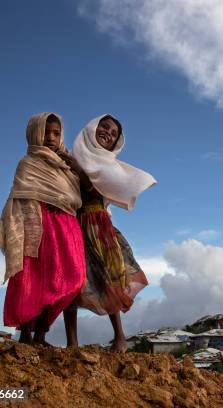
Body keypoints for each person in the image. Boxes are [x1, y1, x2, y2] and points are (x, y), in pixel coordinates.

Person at [62, 114, 155, 352]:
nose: (108, 133)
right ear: (93, 128)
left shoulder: (107, 165)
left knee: (110, 278)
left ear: (116, 143)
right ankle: (72, 343)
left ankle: (120, 338)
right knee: (72, 282)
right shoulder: (72, 157)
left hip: (99, 226)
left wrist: (80, 173)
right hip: (72, 224)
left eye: (113, 133)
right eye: (104, 127)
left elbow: (95, 189)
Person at [0, 112, 85, 345]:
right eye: (45, 132)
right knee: (32, 277)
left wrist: (73, 164)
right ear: (34, 133)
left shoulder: (67, 166)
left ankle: (42, 334)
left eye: (56, 133)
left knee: (70, 277)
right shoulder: (27, 163)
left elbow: (76, 194)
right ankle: (26, 334)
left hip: (66, 226)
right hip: (37, 224)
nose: (50, 138)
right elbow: (20, 197)